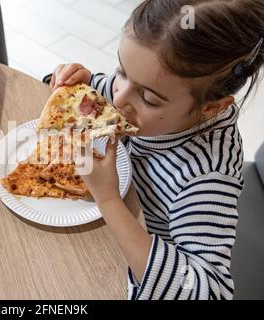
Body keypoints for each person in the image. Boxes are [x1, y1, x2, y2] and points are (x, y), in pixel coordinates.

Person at [45, 0, 264, 299]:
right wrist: (72, 85)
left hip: (141, 264)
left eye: (147, 98)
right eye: (122, 70)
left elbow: (208, 291)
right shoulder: (142, 90)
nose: (119, 98)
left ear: (210, 107)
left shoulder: (205, 177)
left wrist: (108, 199)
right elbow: (107, 91)